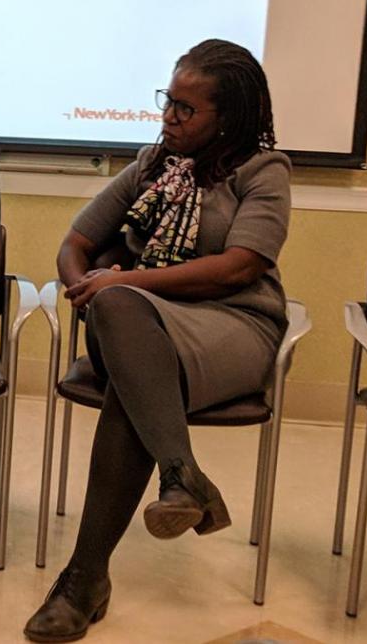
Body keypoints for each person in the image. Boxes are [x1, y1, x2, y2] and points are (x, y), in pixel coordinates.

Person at [25, 39, 291, 642]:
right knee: (124, 324)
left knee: (135, 381)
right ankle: (181, 474)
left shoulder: (263, 171)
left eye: (185, 109)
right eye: (167, 101)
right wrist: (88, 292)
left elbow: (239, 267)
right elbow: (74, 244)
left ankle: (83, 582)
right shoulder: (153, 165)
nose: (168, 117)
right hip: (135, 326)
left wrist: (122, 283)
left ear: (229, 118)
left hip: (232, 325)